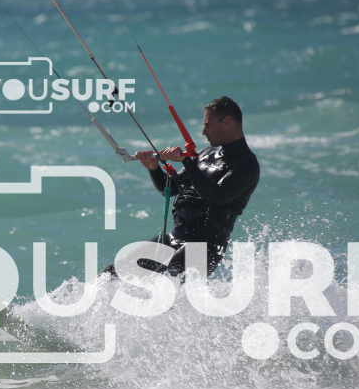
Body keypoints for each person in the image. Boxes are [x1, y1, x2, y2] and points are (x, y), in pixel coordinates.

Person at [103, 96, 260, 278]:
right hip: (173, 238)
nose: (203, 131)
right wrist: (154, 168)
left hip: (205, 247)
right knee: (111, 274)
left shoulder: (246, 164)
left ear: (227, 122)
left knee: (162, 281)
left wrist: (186, 161)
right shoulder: (205, 154)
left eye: (208, 125)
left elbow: (216, 197)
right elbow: (170, 189)